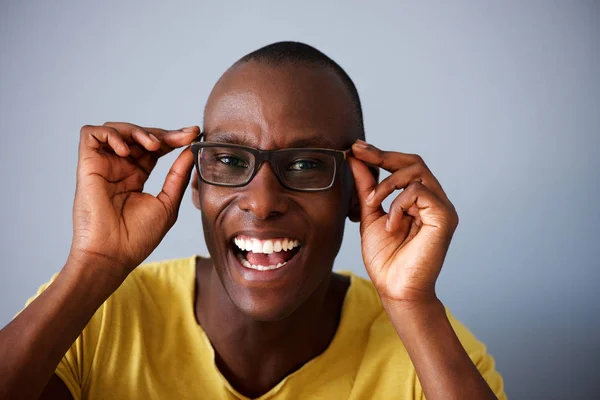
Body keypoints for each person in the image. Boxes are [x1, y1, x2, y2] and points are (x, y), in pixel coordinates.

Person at [0, 42, 506, 400]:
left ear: (359, 192)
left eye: (306, 164)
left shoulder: (427, 353)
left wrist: (411, 303)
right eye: (228, 159)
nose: (262, 202)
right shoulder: (100, 317)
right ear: (195, 182)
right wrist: (93, 263)